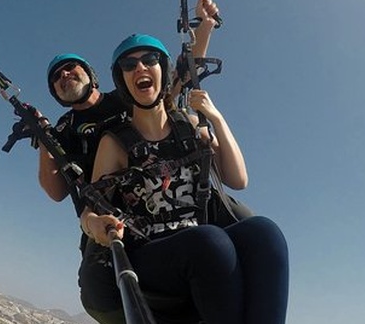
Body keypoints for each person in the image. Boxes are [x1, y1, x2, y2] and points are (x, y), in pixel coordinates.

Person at [39, 0, 238, 324]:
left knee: (248, 225)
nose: (64, 75)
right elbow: (56, 191)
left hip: (169, 195)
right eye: (56, 77)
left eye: (70, 68)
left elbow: (177, 82)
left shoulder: (127, 96)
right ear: (55, 94)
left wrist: (205, 27)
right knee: (95, 287)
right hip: (110, 217)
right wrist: (42, 142)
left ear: (92, 74)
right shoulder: (63, 131)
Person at [80, 33, 289, 324]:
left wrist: (215, 118)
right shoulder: (115, 142)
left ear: (162, 69)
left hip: (202, 239)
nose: (140, 68)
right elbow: (91, 210)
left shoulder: (189, 126)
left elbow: (237, 179)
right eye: (129, 65)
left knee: (265, 233)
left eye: (150, 59)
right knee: (209, 242)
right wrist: (96, 225)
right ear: (122, 79)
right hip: (151, 251)